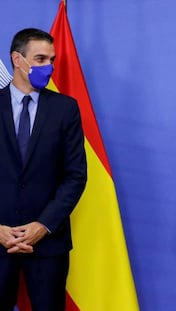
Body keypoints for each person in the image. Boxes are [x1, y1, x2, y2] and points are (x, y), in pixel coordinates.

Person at [0, 28, 87, 310]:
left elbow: (75, 175)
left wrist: (43, 225)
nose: (48, 67)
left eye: (51, 60)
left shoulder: (66, 109)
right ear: (17, 59)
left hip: (48, 244)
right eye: (40, 59)